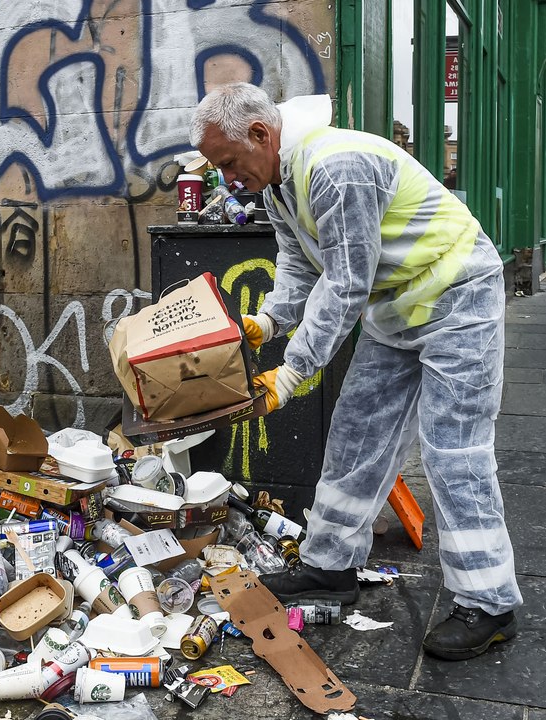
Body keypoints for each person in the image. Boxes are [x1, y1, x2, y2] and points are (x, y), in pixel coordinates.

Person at [190, 82, 522, 661]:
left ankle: (488, 603)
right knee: (356, 436)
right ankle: (328, 568)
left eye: (229, 164)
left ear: (262, 136)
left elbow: (345, 283)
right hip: (397, 308)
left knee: (454, 453)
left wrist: (290, 374)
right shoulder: (279, 185)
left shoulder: (336, 167)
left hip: (457, 294)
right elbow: (298, 264)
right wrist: (266, 323)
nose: (226, 180)